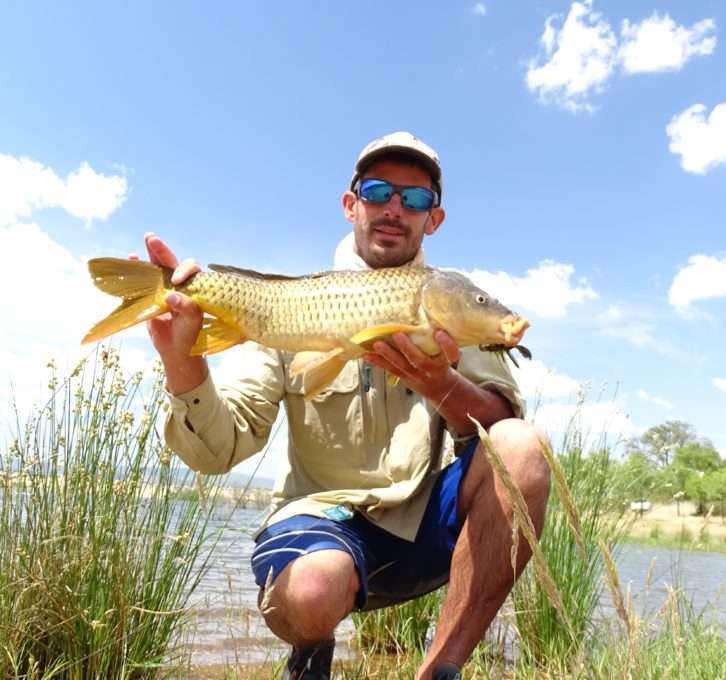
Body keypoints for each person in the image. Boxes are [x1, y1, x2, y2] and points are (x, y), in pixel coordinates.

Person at [137, 132, 551, 680]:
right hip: (321, 519)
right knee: (313, 588)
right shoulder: (296, 304)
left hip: (420, 521)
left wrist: (440, 384)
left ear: (436, 218)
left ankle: (441, 669)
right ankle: (311, 657)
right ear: (351, 204)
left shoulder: (447, 297)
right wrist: (182, 361)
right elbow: (219, 450)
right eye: (379, 191)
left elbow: (499, 434)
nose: (395, 209)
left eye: (416, 199)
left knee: (523, 444)